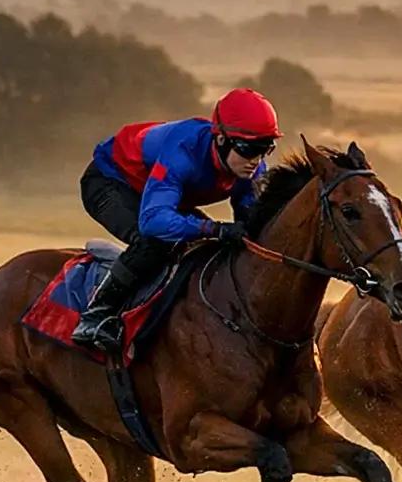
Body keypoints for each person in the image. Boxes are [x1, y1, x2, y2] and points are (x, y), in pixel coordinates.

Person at [70, 88, 281, 354]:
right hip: (111, 181)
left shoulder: (251, 167)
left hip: (159, 192)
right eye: (249, 149)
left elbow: (249, 221)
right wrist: (213, 228)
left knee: (211, 247)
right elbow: (154, 221)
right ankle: (95, 316)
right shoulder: (183, 152)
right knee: (155, 243)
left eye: (266, 149)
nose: (256, 161)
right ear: (220, 140)